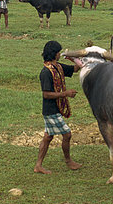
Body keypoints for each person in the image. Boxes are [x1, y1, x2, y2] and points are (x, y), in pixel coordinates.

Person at [34, 40, 82, 174]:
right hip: (51, 110)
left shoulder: (58, 67)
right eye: (59, 52)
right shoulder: (46, 72)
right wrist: (65, 94)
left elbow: (76, 69)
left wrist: (73, 59)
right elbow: (46, 94)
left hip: (55, 109)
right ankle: (68, 161)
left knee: (48, 137)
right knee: (67, 134)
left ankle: (38, 165)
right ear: (54, 54)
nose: (60, 54)